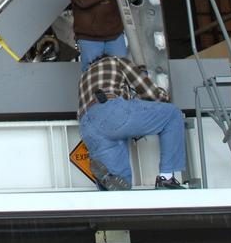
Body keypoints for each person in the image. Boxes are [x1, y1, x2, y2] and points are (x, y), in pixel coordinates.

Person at [77, 55, 187, 190]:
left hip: (87, 128)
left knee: (121, 187)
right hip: (110, 111)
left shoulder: (84, 77)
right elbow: (150, 93)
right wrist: (164, 95)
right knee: (172, 114)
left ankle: (107, 179)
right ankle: (167, 178)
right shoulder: (116, 61)